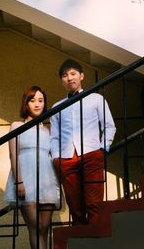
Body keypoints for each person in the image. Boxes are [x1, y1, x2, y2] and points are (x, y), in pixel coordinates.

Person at [49, 58, 115, 224]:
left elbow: (109, 125)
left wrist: (103, 148)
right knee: (74, 206)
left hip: (92, 154)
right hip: (66, 159)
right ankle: (80, 237)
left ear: (81, 76)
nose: (69, 78)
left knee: (94, 203)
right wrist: (56, 158)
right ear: (61, 80)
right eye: (65, 75)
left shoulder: (96, 99)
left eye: (73, 74)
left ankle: (97, 237)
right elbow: (54, 136)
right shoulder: (57, 107)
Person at [4, 86, 59, 249]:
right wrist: (18, 181)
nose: (37, 104)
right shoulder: (16, 125)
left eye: (41, 101)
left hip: (47, 180)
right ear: (26, 103)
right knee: (35, 226)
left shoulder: (48, 130)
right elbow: (13, 154)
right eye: (32, 100)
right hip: (26, 179)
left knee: (44, 227)